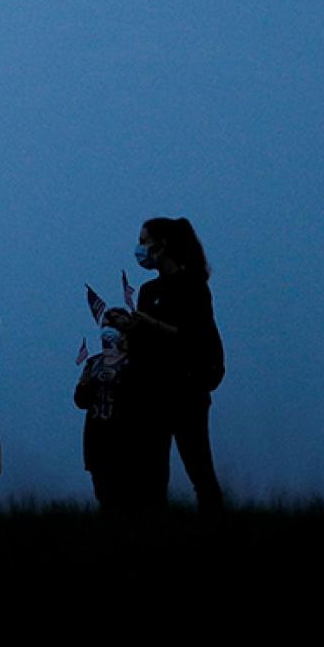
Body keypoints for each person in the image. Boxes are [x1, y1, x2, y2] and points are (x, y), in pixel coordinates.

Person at [127, 216, 227, 511]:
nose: (140, 248)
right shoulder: (148, 291)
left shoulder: (193, 286)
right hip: (153, 390)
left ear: (162, 244)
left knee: (199, 467)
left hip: (186, 389)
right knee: (153, 474)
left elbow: (195, 336)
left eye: (144, 241)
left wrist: (152, 324)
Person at [74, 309, 165, 513]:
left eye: (112, 327)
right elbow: (80, 400)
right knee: (103, 491)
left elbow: (143, 400)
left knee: (128, 492)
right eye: (104, 327)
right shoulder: (93, 363)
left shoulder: (138, 363)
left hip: (126, 435)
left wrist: (118, 382)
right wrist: (96, 383)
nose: (107, 333)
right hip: (98, 435)